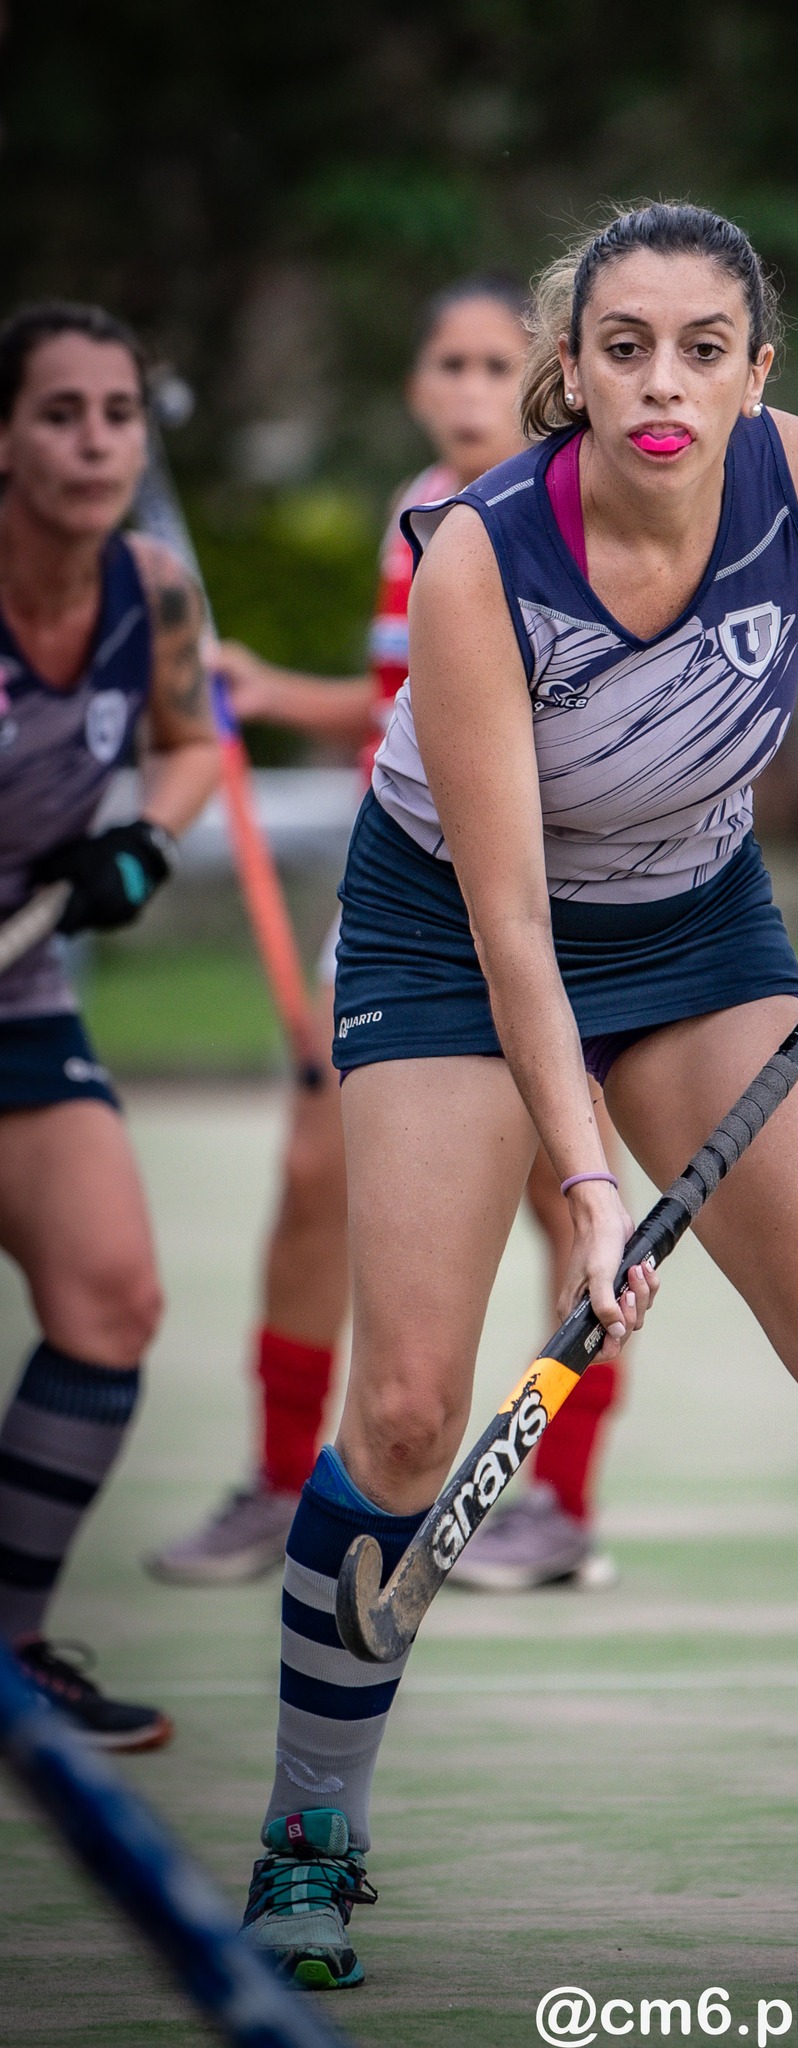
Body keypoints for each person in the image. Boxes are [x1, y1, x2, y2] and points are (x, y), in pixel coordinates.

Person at [240, 203, 798, 1991]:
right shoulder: (482, 560)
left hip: (696, 918)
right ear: (568, 369)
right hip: (449, 941)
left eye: (702, 347)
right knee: (410, 1413)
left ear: (755, 366)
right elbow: (508, 923)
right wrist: (583, 1188)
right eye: (624, 346)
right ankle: (308, 1830)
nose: (663, 382)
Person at [146, 277, 625, 1594]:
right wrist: (263, 683)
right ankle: (274, 1479)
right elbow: (398, 706)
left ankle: (560, 1507)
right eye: (449, 366)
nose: (472, 389)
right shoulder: (415, 509)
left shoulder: (565, 517)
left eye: (494, 365)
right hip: (397, 888)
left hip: (543, 892)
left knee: (557, 1192)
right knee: (313, 1177)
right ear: (418, 387)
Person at [0, 301, 219, 1748]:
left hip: (22, 1004)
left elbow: (194, 741)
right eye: (61, 412)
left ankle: (11, 1660)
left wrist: (138, 844)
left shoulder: (154, 591)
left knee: (111, 1303)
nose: (95, 442)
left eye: (119, 414)